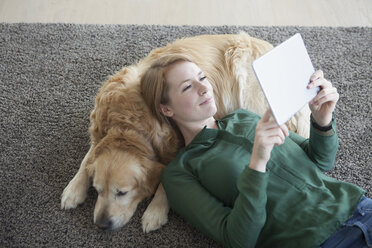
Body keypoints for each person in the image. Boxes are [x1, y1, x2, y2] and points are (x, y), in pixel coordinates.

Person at [140, 54, 372, 248]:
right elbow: (238, 239)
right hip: (316, 241)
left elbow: (320, 161)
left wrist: (322, 121)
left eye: (202, 77)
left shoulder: (243, 116)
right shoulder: (180, 172)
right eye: (188, 87)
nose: (204, 88)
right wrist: (257, 162)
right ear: (166, 109)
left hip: (358, 206)